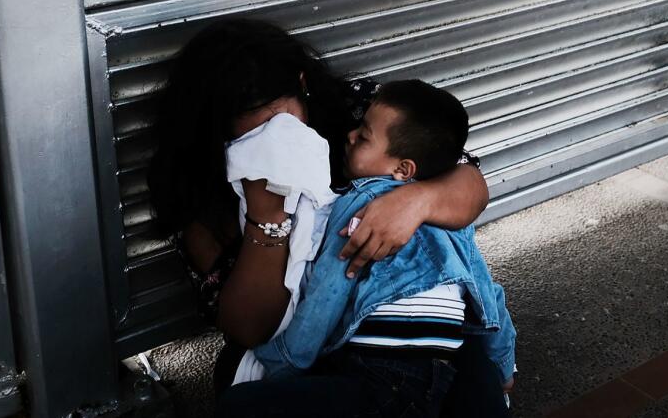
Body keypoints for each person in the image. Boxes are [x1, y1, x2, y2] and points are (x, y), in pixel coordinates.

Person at [147, 19, 507, 415]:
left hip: (414, 337)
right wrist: (268, 220)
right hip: (316, 340)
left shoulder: (356, 116)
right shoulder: (203, 193)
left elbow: (469, 185)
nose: (277, 140)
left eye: (282, 121)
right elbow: (252, 327)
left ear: (302, 85)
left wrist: (416, 200)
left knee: (472, 382)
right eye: (255, 135)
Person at [217, 80, 515, 418]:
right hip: (442, 368)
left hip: (383, 377)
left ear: (403, 168)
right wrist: (504, 368)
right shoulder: (453, 222)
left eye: (364, 135)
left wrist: (286, 360)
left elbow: (327, 294)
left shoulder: (357, 205)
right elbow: (488, 297)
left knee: (239, 406)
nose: (351, 135)